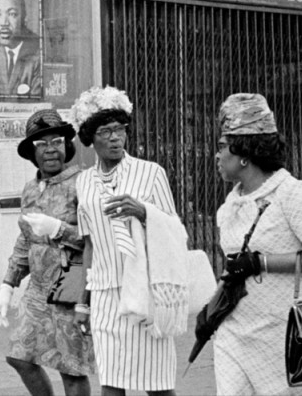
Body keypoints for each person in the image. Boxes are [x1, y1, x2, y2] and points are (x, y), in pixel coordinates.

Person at [211, 93, 302, 395]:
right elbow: (233, 266)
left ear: (244, 153)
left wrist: (261, 262)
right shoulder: (233, 201)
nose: (216, 156)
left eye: (222, 147)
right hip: (235, 331)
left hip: (283, 334)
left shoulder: (290, 193)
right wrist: (213, 309)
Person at [70, 86, 180, 396]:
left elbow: (174, 230)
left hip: (146, 291)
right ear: (91, 138)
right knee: (112, 384)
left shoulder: (151, 173)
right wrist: (83, 302)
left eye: (120, 129)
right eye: (106, 131)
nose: (116, 137)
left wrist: (144, 212)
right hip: (105, 296)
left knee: (157, 384)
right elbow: (89, 243)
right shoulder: (84, 182)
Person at [0, 109, 94, 396]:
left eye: (57, 142)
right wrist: (7, 284)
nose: (50, 150)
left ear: (67, 146)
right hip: (38, 290)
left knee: (71, 369)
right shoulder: (29, 190)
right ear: (32, 153)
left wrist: (59, 229)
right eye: (42, 144)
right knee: (19, 357)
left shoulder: (83, 184)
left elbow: (97, 241)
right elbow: (25, 241)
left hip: (70, 286)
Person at [0, 0, 43, 99]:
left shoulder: (39, 50)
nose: (4, 23)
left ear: (24, 19)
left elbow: (37, 102)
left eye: (12, 14)